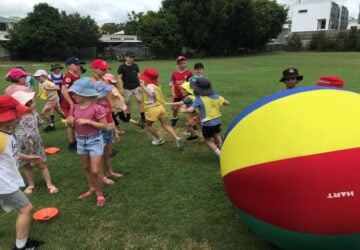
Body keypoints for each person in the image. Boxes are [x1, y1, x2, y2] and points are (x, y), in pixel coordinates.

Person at [0, 95, 44, 250]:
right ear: (4, 118)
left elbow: (9, 153)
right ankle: (21, 246)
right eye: (15, 115)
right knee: (26, 209)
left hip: (4, 183)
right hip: (3, 184)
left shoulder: (5, 133)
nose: (19, 117)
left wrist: (26, 156)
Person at [67, 77, 108, 206]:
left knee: (95, 170)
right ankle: (92, 188)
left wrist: (89, 121)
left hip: (94, 140)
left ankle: (99, 193)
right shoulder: (74, 108)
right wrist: (71, 123)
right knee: (86, 167)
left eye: (76, 93)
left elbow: (104, 126)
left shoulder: (97, 108)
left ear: (85, 94)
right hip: (81, 140)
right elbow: (73, 127)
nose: (73, 95)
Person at [11, 91, 58, 195]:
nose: (34, 104)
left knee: (41, 164)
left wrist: (44, 114)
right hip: (23, 146)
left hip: (36, 144)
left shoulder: (35, 115)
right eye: (31, 102)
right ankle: (31, 184)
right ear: (24, 105)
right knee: (27, 166)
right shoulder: (16, 118)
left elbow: (45, 122)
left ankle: (49, 184)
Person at [182, 78, 229, 157]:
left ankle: (221, 155)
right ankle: (222, 148)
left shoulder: (199, 99)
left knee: (207, 140)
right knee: (216, 134)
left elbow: (190, 109)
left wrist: (183, 109)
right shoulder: (216, 96)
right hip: (217, 122)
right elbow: (227, 103)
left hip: (208, 124)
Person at [139, 67, 183, 149]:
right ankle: (177, 138)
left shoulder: (149, 86)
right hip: (160, 108)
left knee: (148, 125)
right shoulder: (157, 85)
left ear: (148, 78)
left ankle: (159, 140)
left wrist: (143, 86)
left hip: (152, 109)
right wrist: (143, 87)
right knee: (165, 125)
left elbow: (151, 94)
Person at [95, 81, 124, 185]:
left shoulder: (107, 101)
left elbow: (110, 117)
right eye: (106, 91)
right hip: (100, 133)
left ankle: (109, 172)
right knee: (99, 156)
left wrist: (115, 131)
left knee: (107, 154)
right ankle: (102, 176)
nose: (109, 92)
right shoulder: (96, 105)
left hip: (109, 131)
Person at [60, 56, 84, 151]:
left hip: (76, 103)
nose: (79, 66)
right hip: (69, 105)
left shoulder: (76, 75)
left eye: (79, 64)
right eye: (76, 64)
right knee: (71, 123)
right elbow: (63, 90)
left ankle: (77, 140)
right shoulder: (68, 77)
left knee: (76, 122)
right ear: (68, 66)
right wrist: (71, 103)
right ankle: (72, 142)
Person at [117, 51, 146, 126]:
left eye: (133, 57)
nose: (131, 59)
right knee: (127, 102)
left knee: (139, 101)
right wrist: (121, 88)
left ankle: (143, 117)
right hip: (126, 87)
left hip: (136, 86)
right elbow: (119, 78)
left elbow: (139, 76)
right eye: (130, 57)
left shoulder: (135, 66)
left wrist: (140, 86)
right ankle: (128, 116)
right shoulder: (122, 67)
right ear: (125, 57)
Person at [169, 56, 193, 127]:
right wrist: (172, 92)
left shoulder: (189, 73)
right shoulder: (174, 73)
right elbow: (172, 83)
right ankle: (174, 118)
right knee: (174, 108)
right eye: (181, 63)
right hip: (177, 94)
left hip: (186, 95)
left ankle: (191, 122)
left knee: (188, 108)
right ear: (178, 64)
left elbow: (191, 83)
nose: (183, 65)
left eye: (184, 63)